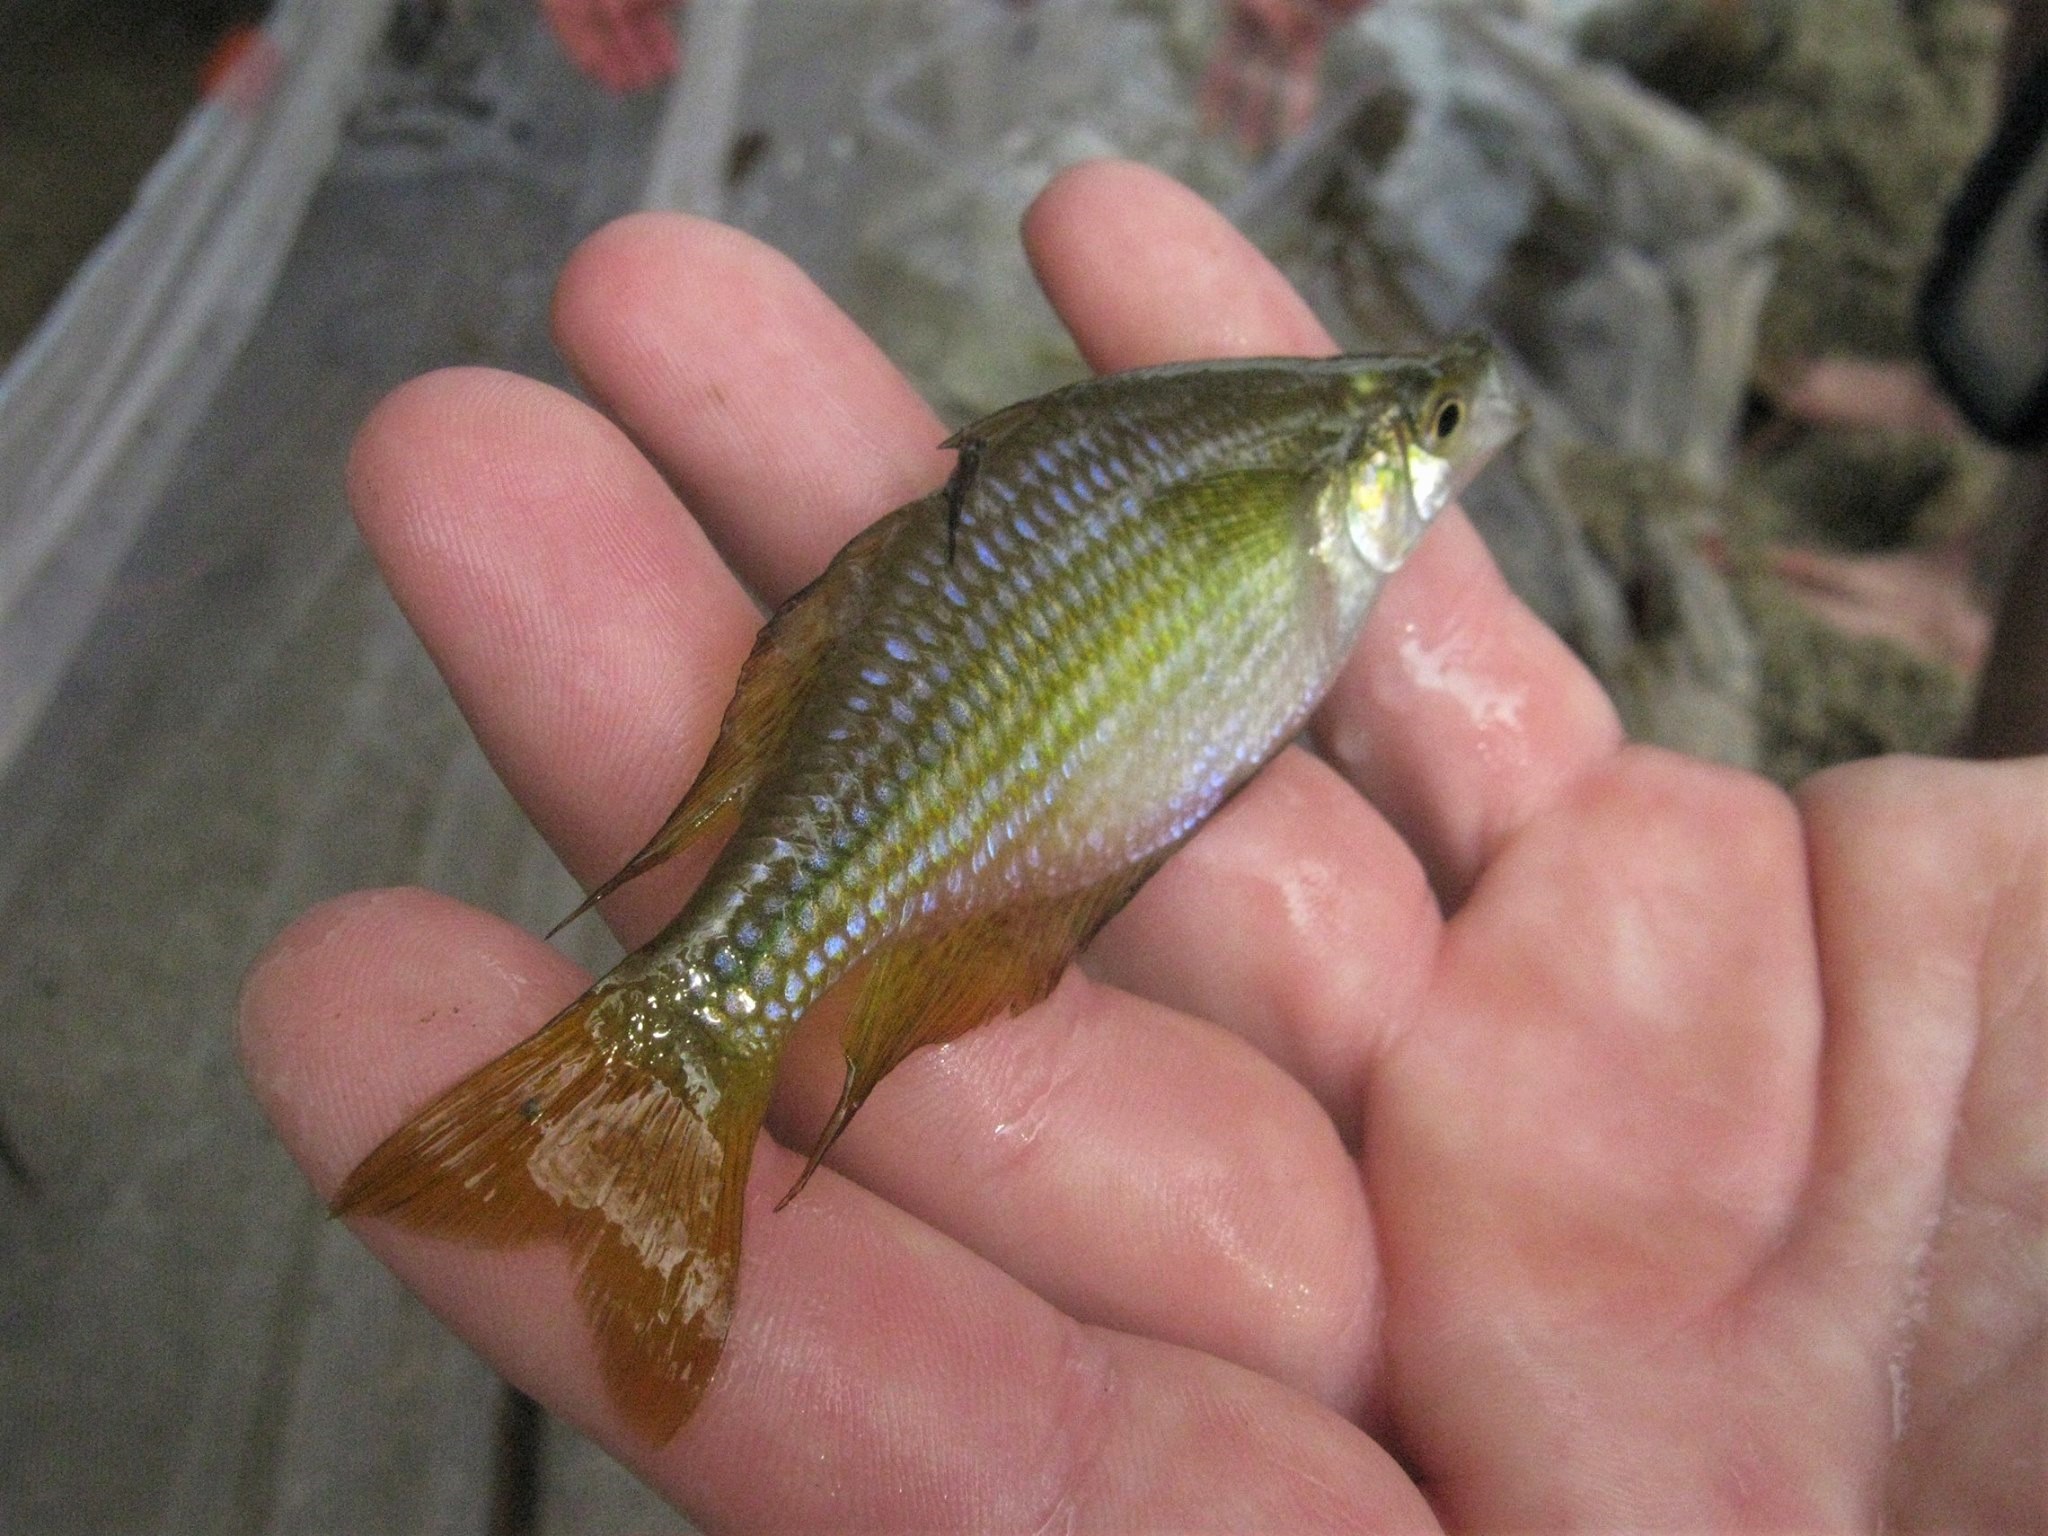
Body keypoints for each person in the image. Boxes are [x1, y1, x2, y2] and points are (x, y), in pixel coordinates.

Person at [238, 161, 2043, 1531]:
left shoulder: (1295, 502)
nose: (1448, 445)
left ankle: (661, 1067)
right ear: (1360, 480)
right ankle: (666, 1060)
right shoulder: (1311, 525)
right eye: (1423, 434)